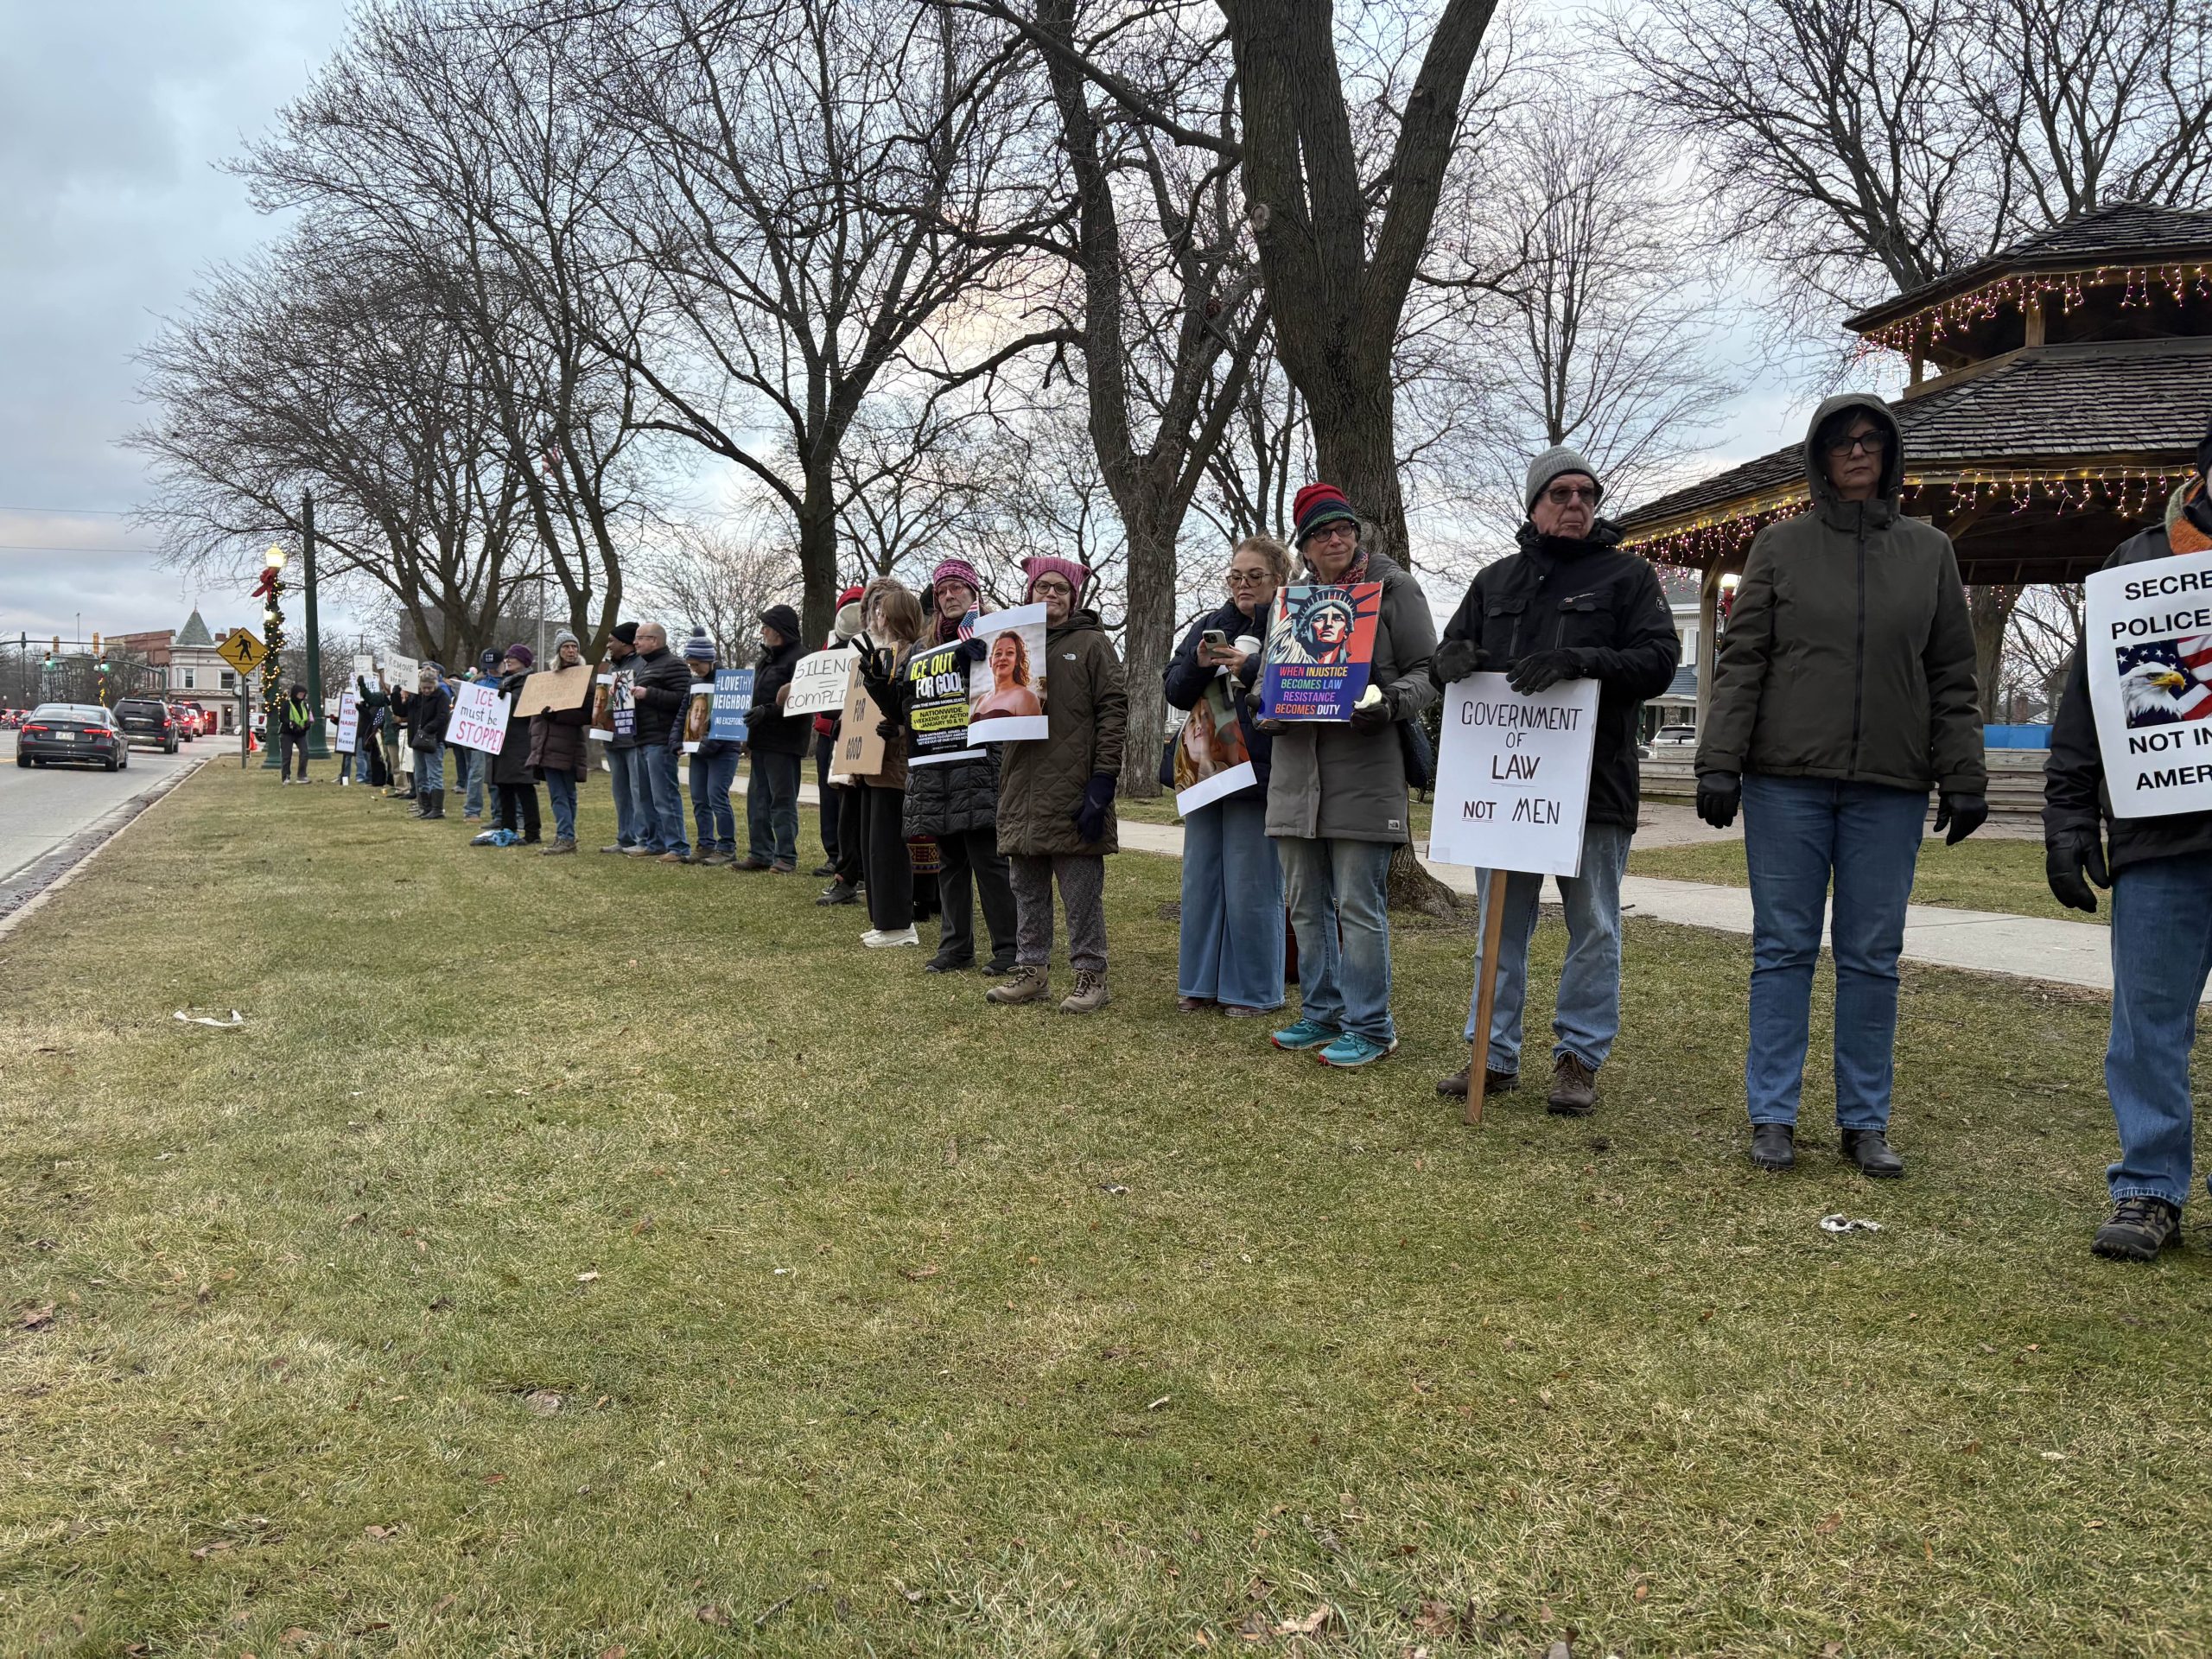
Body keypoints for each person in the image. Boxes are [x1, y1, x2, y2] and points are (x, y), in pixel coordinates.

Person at [1695, 394, 1986, 1179]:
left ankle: (1865, 1121)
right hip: (1785, 782)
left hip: (1889, 787)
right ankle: (1774, 1117)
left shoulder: (1929, 552)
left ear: (1890, 455)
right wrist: (1719, 760)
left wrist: (1963, 772)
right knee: (1783, 949)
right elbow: (1744, 659)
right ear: (1821, 457)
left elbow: (1952, 676)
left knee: (1870, 956)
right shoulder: (1780, 548)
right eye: (1842, 443)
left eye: (1871, 441)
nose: (1858, 453)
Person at [1428, 448, 1681, 1114]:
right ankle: (1492, 1051)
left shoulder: (1628, 578)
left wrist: (1579, 659)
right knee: (1497, 927)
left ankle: (1578, 1058)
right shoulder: (1495, 581)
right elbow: (1450, 656)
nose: (1576, 505)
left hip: (1593, 787)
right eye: (1561, 494)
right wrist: (1448, 659)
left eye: (1586, 495)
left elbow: (1658, 661)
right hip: (1502, 791)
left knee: (1594, 926)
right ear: (1535, 503)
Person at [2044, 418, 2212, 1260]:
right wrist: (2068, 817)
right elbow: (2084, 708)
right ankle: (2147, 1190)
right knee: (2146, 1026)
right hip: (2159, 841)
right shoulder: (2133, 566)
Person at [1262, 483, 1438, 1068]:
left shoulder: (1393, 589)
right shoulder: (1290, 601)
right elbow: (1273, 676)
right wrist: (1265, 699)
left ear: (1357, 534)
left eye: (1343, 529)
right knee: (1305, 905)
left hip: (1364, 768)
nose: (1334, 539)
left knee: (1358, 906)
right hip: (1295, 773)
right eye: (1320, 533)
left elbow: (1429, 672)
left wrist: (1389, 702)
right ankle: (1320, 1013)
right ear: (1305, 547)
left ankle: (1371, 1025)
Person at [987, 555, 1128, 1014]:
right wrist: (971, 661)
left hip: (1075, 784)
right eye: (1041, 587)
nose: (1050, 594)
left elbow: (1113, 710)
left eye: (1060, 589)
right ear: (1029, 592)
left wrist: (1103, 780)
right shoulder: (1011, 643)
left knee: (1080, 890)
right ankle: (1032, 971)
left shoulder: (1091, 644)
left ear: (1074, 597)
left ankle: (1092, 975)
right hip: (1021, 786)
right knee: (1026, 885)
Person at [1163, 534, 1289, 1017]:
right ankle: (1198, 984)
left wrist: (1252, 663)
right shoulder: (1209, 625)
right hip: (1204, 768)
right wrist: (1198, 661)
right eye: (1236, 576)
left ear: (1279, 579)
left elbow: (1305, 686)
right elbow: (1174, 689)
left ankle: (1253, 990)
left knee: (1251, 884)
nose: (1243, 585)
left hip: (1259, 768)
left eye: (1254, 576)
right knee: (1201, 881)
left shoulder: (1291, 621)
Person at [904, 558, 1018, 974]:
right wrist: (887, 690)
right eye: (943, 591)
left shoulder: (996, 637)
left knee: (989, 861)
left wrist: (980, 663)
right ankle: (955, 947)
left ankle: (1008, 948)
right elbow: (909, 708)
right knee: (949, 862)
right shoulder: (920, 650)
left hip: (981, 763)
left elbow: (1012, 689)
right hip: (936, 766)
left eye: (958, 588)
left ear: (974, 594)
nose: (950, 596)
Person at [850, 582, 925, 947]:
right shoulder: (882, 653)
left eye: (883, 610)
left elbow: (915, 709)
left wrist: (899, 726)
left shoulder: (913, 655)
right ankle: (883, 919)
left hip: (896, 764)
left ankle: (899, 924)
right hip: (872, 763)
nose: (877, 616)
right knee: (872, 844)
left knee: (889, 846)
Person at [742, 603, 808, 874]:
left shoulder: (801, 659)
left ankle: (786, 857)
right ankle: (759, 853)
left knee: (781, 800)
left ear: (778, 631)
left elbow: (802, 700)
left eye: (766, 627)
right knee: (756, 800)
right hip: (760, 739)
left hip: (785, 741)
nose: (762, 631)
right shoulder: (766, 659)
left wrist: (768, 711)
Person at [626, 621, 693, 861]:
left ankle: (678, 847)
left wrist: (648, 694)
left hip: (661, 740)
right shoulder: (645, 667)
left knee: (664, 795)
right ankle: (654, 843)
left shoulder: (674, 665)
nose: (635, 642)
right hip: (642, 739)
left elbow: (684, 700)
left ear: (654, 640)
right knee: (646, 797)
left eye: (640, 638)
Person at [813, 583, 865, 878]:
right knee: (829, 796)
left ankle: (851, 859)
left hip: (856, 728)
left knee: (850, 799)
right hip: (827, 730)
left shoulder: (873, 642)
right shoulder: (829, 646)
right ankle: (834, 854)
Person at [677, 626, 739, 865]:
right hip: (698, 750)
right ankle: (705, 844)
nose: (694, 670)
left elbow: (727, 720)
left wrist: (707, 745)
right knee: (699, 797)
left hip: (724, 751)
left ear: (709, 660)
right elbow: (684, 712)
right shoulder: (694, 684)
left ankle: (726, 847)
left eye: (697, 665)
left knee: (717, 796)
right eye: (690, 665)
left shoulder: (728, 682)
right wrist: (676, 741)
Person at [527, 632, 592, 854]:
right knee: (560, 793)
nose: (571, 651)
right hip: (548, 745)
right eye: (566, 647)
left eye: (574, 646)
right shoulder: (547, 680)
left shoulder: (584, 681)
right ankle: (566, 836)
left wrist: (558, 717)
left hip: (568, 744)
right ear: (558, 651)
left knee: (565, 793)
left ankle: (566, 837)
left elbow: (587, 714)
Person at [598, 621, 645, 855]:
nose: (608, 645)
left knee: (638, 790)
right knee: (620, 792)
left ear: (625, 643)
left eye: (611, 640)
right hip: (612, 738)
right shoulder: (609, 668)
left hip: (633, 738)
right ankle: (624, 837)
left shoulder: (642, 664)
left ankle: (642, 838)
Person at [487, 644, 541, 845]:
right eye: (507, 657)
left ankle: (532, 832)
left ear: (524, 662)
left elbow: (528, 705)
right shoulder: (506, 682)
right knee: (504, 787)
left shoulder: (531, 681)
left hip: (521, 742)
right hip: (502, 742)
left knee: (524, 788)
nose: (508, 660)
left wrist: (509, 697)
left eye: (513, 658)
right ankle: (507, 828)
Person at [460, 648, 500, 822]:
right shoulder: (477, 683)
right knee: (476, 772)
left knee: (496, 776)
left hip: (497, 733)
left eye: (494, 666)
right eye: (488, 666)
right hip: (479, 733)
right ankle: (472, 810)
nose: (491, 670)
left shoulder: (507, 682)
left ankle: (498, 812)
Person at [408, 663, 452, 819]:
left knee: (434, 774)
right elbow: (402, 710)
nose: (426, 690)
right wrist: (397, 693)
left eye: (429, 688)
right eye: (424, 688)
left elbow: (443, 717)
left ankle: (437, 808)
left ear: (435, 685)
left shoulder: (442, 697)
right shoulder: (416, 697)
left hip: (434, 740)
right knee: (420, 775)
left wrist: (427, 729)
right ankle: (424, 806)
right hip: (418, 739)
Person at [974, 632, 1045, 717]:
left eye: (1010, 653)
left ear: (1017, 660)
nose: (1003, 658)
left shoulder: (1026, 697)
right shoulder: (981, 700)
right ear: (990, 661)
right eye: (998, 653)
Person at [276, 683, 314, 783]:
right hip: (287, 733)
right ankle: (286, 776)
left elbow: (309, 717)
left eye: (303, 694)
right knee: (287, 755)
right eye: (300, 694)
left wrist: (307, 725)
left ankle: (301, 776)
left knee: (305, 753)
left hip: (301, 733)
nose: (302, 696)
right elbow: (283, 718)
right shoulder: (286, 704)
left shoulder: (304, 705)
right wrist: (293, 725)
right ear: (295, 693)